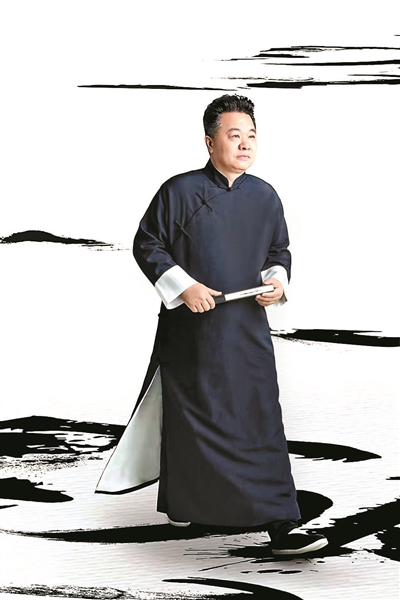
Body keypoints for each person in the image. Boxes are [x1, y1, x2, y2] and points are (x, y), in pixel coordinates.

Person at [96, 94, 328, 556]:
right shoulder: (179, 191)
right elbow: (148, 244)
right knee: (193, 422)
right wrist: (184, 287)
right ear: (209, 142)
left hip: (247, 328)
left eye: (251, 135)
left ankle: (281, 521)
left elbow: (277, 251)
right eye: (233, 135)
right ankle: (186, 502)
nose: (245, 144)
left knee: (260, 418)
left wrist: (276, 282)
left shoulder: (265, 196)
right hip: (193, 333)